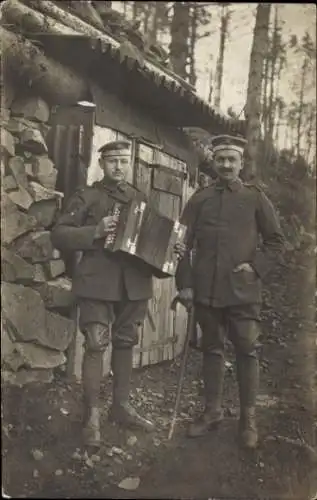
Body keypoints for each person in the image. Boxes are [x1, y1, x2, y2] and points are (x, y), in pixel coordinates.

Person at [51, 140, 182, 448]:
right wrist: (95, 231)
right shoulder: (87, 196)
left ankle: (121, 408)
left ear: (129, 163)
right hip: (97, 281)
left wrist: (170, 253)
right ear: (102, 163)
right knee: (96, 343)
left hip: (134, 283)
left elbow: (154, 245)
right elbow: (59, 234)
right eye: (112, 161)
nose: (118, 167)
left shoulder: (139, 198)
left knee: (126, 343)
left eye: (124, 161)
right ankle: (92, 416)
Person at [175, 134, 285, 449]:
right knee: (212, 349)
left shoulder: (255, 198)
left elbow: (276, 241)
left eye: (231, 160)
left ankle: (248, 420)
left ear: (241, 163)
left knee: (247, 350)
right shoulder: (200, 198)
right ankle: (212, 412)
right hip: (207, 291)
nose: (225, 165)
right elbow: (180, 244)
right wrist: (185, 284)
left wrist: (256, 267)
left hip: (243, 292)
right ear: (214, 161)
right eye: (221, 159)